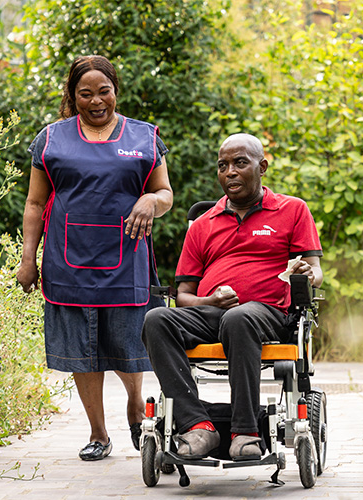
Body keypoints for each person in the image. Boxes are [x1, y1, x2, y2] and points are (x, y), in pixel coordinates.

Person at [16, 55, 173, 461]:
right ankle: (98, 433)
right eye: (85, 93)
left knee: (126, 340)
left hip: (126, 257)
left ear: (115, 91)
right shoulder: (51, 140)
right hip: (68, 260)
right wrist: (27, 259)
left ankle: (137, 405)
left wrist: (150, 201)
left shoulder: (144, 138)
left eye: (104, 91)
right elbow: (35, 203)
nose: (96, 100)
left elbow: (166, 193)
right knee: (84, 349)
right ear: (73, 96)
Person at [142, 133, 322, 461]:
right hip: (212, 313)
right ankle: (197, 427)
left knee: (239, 317)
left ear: (262, 167)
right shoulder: (203, 224)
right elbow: (183, 296)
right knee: (156, 319)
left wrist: (308, 273)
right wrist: (210, 301)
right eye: (223, 166)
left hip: (267, 313)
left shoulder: (292, 210)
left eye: (240, 163)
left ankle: (246, 432)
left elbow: (315, 270)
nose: (230, 172)